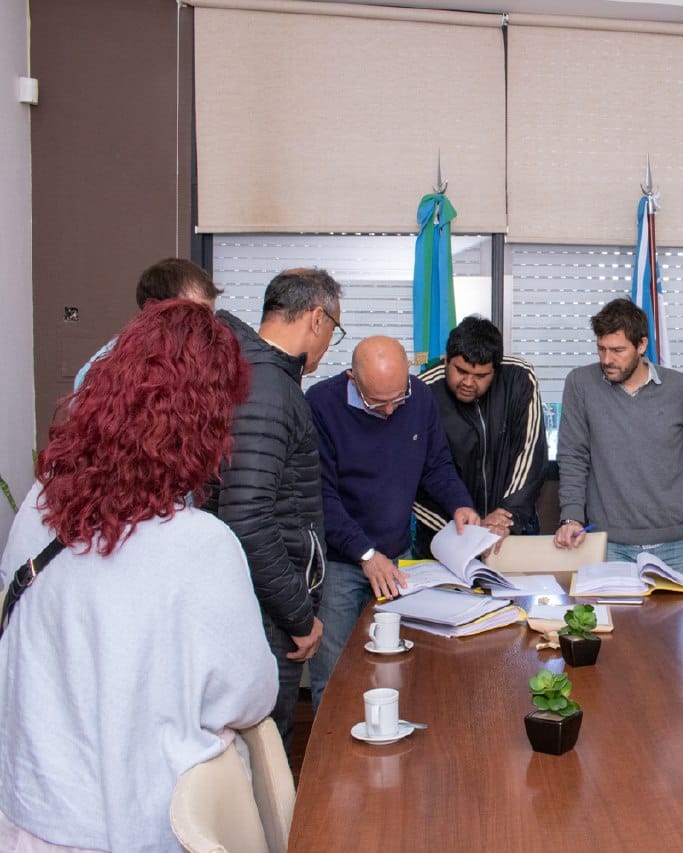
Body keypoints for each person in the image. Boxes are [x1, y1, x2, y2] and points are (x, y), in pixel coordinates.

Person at [0, 301, 277, 851]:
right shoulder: (200, 544)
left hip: (28, 811)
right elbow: (249, 696)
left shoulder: (39, 506)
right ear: (205, 422)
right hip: (138, 820)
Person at [205, 267, 343, 747]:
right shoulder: (268, 386)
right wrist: (300, 616)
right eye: (334, 330)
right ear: (316, 318)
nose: (328, 348)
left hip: (264, 600)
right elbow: (245, 518)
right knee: (267, 742)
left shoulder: (255, 374)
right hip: (268, 609)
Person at [306, 336, 480, 709]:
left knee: (397, 665)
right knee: (335, 672)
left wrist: (459, 504)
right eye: (377, 402)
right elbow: (321, 497)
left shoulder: (418, 397)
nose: (389, 412)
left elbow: (436, 465)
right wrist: (365, 553)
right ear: (353, 378)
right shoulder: (320, 405)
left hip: (397, 557)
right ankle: (334, 764)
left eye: (396, 399)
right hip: (341, 562)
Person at [554, 298, 683, 572]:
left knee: (670, 617)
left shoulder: (680, 388)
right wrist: (570, 516)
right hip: (608, 545)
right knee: (612, 617)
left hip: (676, 545)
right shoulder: (580, 384)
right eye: (601, 349)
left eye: (618, 350)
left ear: (641, 346)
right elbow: (573, 454)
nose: (607, 359)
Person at [413, 316, 548, 552]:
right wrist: (466, 529)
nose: (468, 382)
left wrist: (506, 517)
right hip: (446, 536)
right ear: (447, 360)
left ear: (496, 369)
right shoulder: (422, 393)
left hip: (509, 530)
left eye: (480, 376)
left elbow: (530, 452)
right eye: (460, 371)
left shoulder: (519, 377)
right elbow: (414, 477)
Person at [73, 257, 223, 390]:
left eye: (209, 314)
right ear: (158, 312)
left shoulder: (218, 356)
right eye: (195, 314)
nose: (207, 324)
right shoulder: (102, 369)